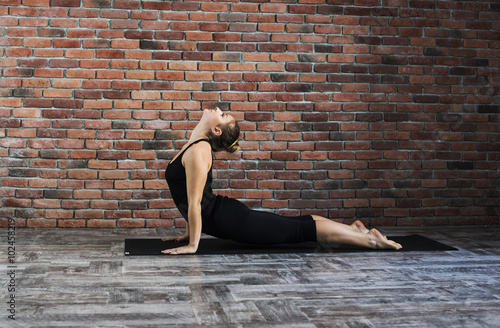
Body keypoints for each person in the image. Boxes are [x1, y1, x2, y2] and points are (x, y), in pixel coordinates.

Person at [162, 107, 402, 254]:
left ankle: (372, 241)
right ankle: (351, 229)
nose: (217, 109)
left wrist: (193, 245)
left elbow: (195, 203)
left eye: (222, 114)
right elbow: (193, 197)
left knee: (299, 230)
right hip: (226, 217)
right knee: (294, 226)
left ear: (215, 130)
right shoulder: (196, 145)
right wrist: (188, 234)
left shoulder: (199, 149)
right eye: (224, 113)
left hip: (232, 221)